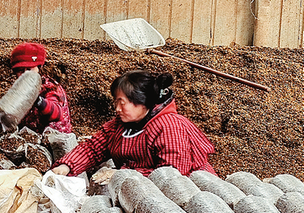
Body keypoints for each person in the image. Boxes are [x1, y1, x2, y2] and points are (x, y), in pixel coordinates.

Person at [52, 70, 216, 177]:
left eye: (122, 103)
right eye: (116, 102)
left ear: (142, 102)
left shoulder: (169, 125)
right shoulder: (120, 124)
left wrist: (124, 174)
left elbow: (172, 173)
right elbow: (93, 148)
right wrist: (67, 166)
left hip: (188, 192)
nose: (117, 108)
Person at [0, 42, 72, 134]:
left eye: (29, 69)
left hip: (54, 138)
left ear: (39, 68)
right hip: (30, 137)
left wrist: (38, 101)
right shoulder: (19, 90)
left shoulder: (50, 87)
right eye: (20, 71)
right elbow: (13, 120)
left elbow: (57, 114)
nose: (26, 74)